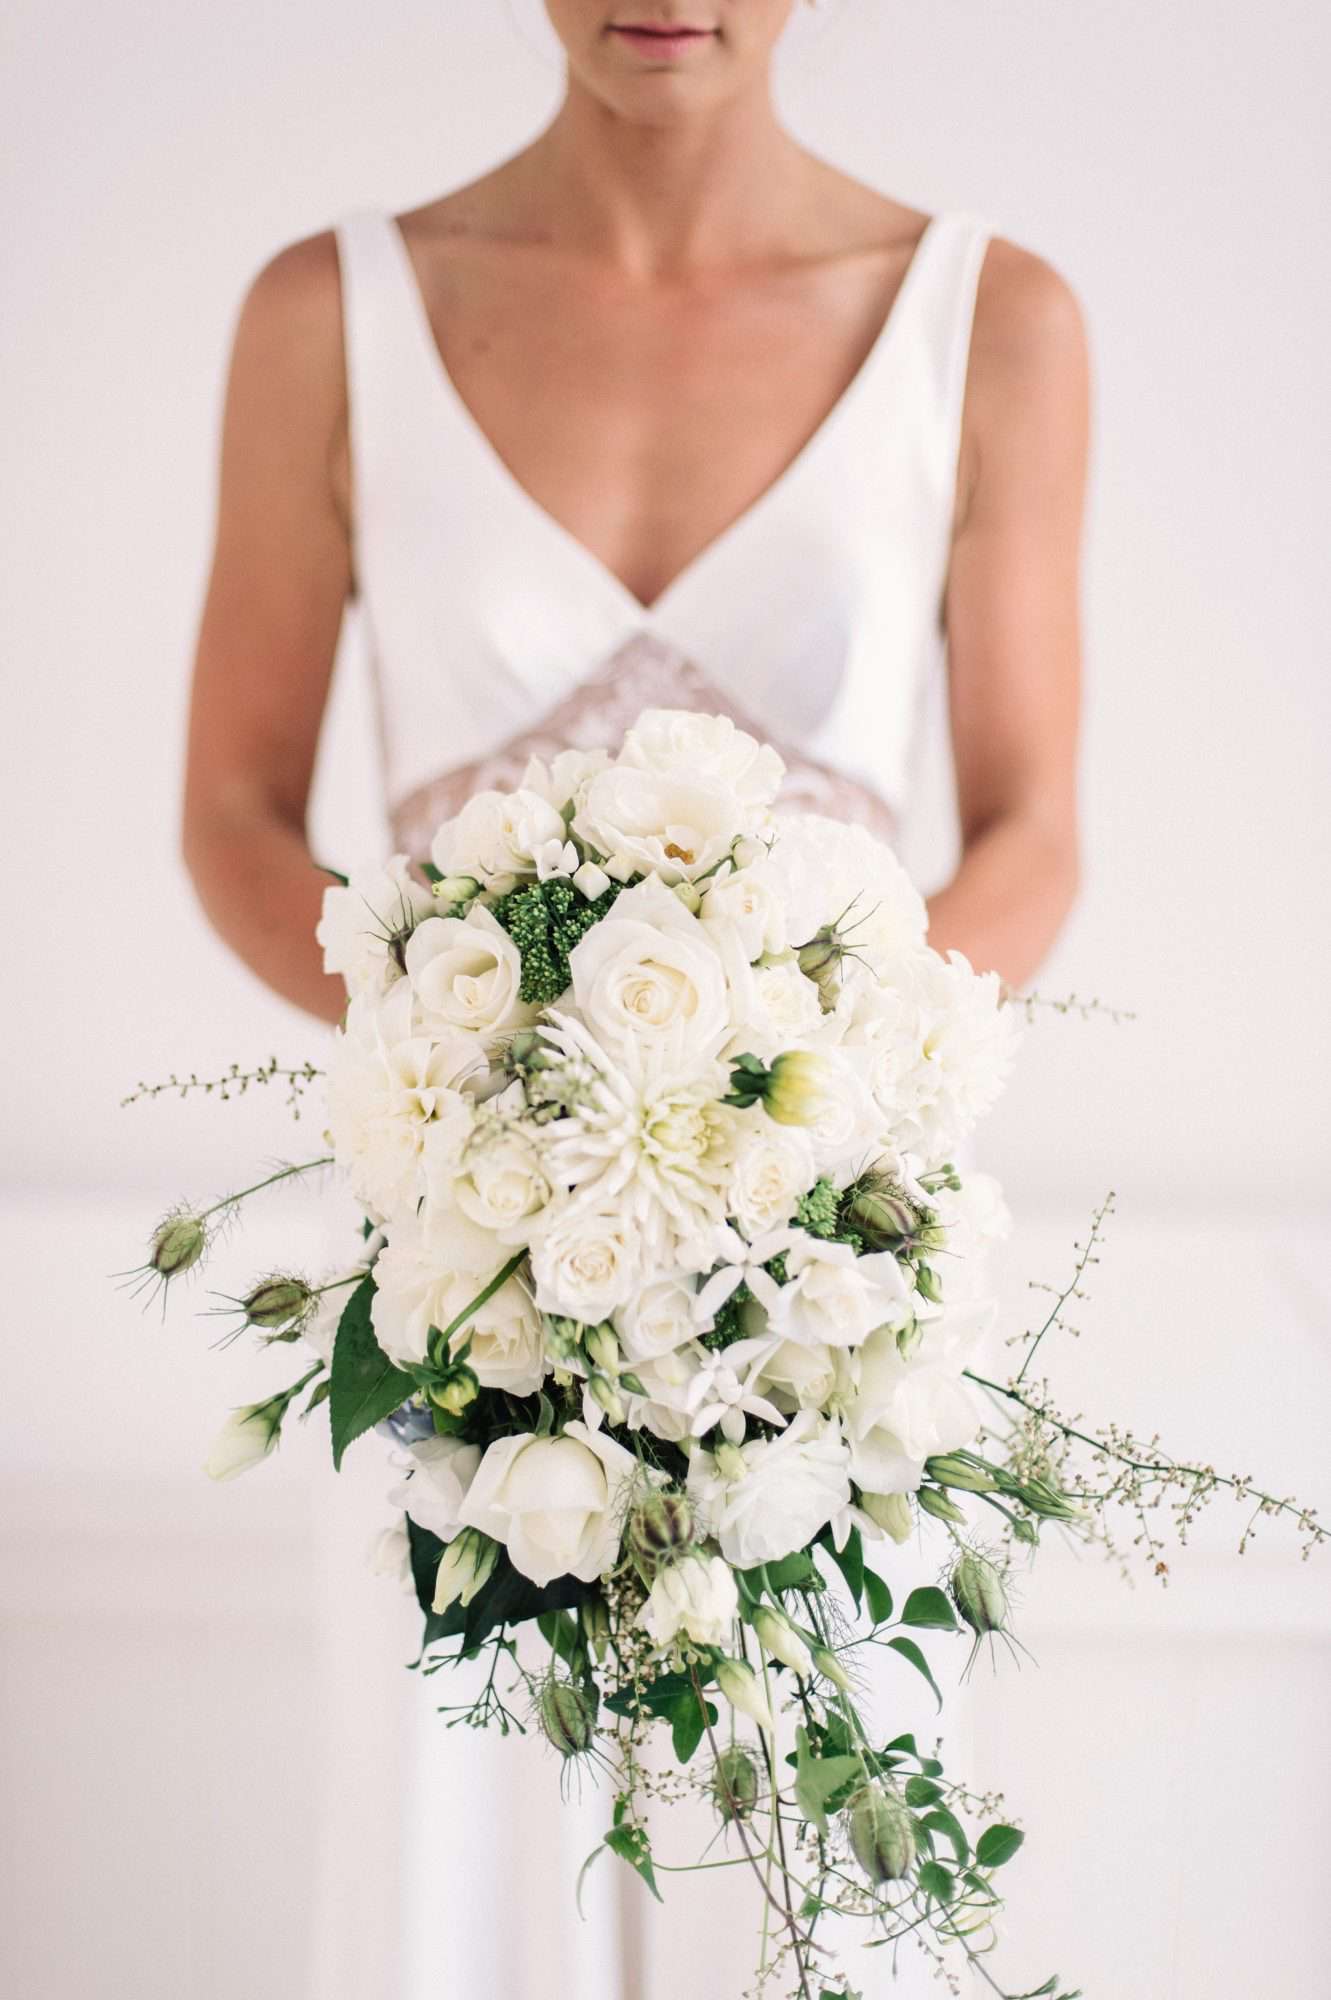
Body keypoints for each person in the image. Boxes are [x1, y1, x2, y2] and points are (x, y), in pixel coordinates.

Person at [181, 4, 1089, 1992]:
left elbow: (1031, 831)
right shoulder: (327, 315)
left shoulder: (988, 318)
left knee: (820, 1870)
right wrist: (473, 1080)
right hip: (457, 1269)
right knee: (456, 1863)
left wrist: (818, 1099)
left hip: (827, 1276)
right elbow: (238, 815)